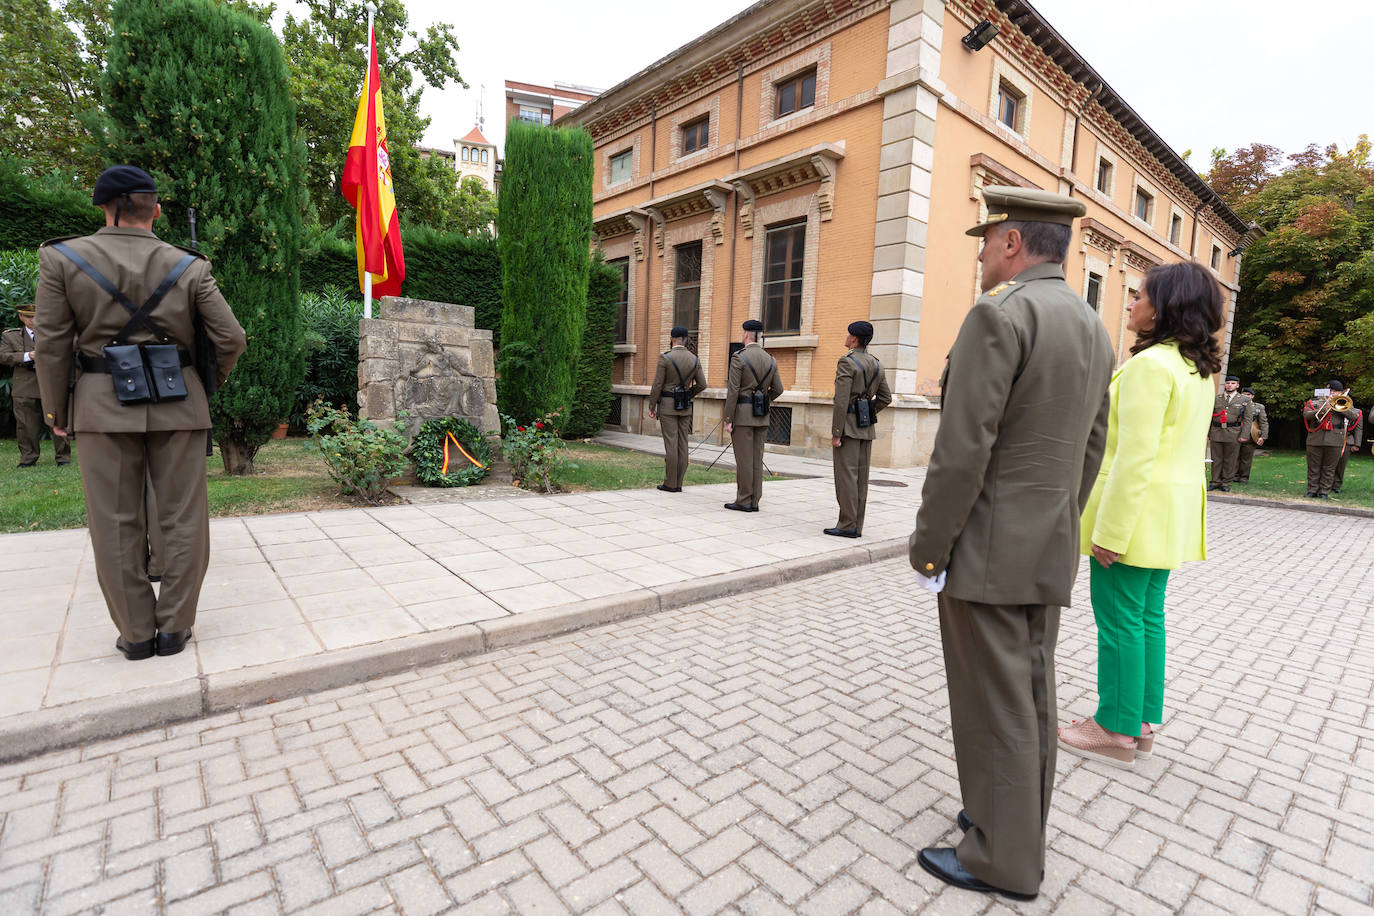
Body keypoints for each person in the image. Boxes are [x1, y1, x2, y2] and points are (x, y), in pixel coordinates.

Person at [909, 186, 1113, 900]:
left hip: (986, 550)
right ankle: (1008, 823)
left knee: (993, 703)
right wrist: (1056, 519)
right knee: (1030, 696)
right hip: (1044, 543)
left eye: (987, 241)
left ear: (1013, 243)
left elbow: (962, 451)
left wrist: (929, 547)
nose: (983, 255)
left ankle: (1002, 860)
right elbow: (1093, 446)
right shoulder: (1092, 325)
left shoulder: (1000, 314)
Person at [34, 165, 246, 661]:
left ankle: (135, 635)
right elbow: (231, 339)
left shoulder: (62, 258)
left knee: (113, 520)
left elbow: (51, 346)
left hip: (101, 405)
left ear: (103, 207)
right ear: (156, 209)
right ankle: (174, 629)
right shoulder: (189, 265)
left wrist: (54, 411)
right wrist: (203, 383)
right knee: (184, 519)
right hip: (180, 403)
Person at [1058, 261, 1223, 768]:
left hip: (1134, 514)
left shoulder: (1152, 366)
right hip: (1167, 514)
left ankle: (1116, 726)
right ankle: (1143, 718)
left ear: (1165, 306)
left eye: (1139, 295)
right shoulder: (1194, 367)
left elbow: (1134, 456)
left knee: (1119, 622)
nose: (1131, 303)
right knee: (1147, 618)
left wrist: (1110, 530)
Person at [826, 320, 891, 537]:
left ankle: (846, 525)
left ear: (853, 339)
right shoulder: (877, 364)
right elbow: (885, 398)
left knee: (846, 477)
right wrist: (867, 411)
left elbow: (841, 400)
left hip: (849, 429)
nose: (846, 338)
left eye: (848, 335)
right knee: (861, 479)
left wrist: (837, 432)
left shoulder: (847, 362)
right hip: (866, 427)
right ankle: (856, 525)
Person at [722, 318, 783, 512]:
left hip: (742, 415)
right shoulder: (770, 359)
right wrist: (763, 400)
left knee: (744, 459)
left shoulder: (739, 357)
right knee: (757, 458)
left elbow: (733, 391)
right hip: (761, 414)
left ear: (746, 334)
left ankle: (744, 500)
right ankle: (755, 499)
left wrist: (728, 419)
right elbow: (779, 389)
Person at [1, 305, 72, 467]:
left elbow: (68, 352)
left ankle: (63, 458)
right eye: (28, 317)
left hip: (51, 384)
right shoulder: (11, 336)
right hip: (24, 386)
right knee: (25, 424)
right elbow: (3, 356)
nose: (32, 320)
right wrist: (27, 356)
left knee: (58, 421)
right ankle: (28, 458)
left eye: (35, 316)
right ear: (21, 317)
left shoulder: (53, 334)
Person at [646, 326, 706, 493]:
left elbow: (658, 384)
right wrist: (688, 394)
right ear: (685, 339)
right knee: (683, 444)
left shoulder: (665, 358)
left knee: (671, 444)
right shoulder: (694, 359)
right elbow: (702, 384)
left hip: (667, 405)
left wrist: (652, 405)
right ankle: (679, 482)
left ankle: (670, 483)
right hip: (685, 406)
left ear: (672, 339)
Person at [1303, 380, 1360, 499]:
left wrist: (1338, 407)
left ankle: (1324, 491)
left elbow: (1355, 416)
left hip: (1335, 439)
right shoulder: (1314, 402)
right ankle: (1312, 490)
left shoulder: (1345, 403)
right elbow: (1306, 415)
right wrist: (1324, 408)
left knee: (1329, 467)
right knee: (1313, 466)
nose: (1332, 393)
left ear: (1340, 392)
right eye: (1331, 390)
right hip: (1315, 438)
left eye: (1335, 391)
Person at [1207, 375, 1251, 491]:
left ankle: (1225, 482)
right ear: (1224, 384)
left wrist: (1244, 435)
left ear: (1237, 385)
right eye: (1227, 383)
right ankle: (1215, 481)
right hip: (1217, 431)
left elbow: (1247, 420)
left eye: (1232, 383)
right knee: (1216, 459)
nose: (1229, 385)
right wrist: (1207, 433)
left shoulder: (1244, 400)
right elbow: (1209, 417)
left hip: (1234, 433)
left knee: (1230, 459)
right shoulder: (1217, 398)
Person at [1235, 387, 1268, 483]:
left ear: (1252, 396)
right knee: (1234, 457)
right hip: (1235, 433)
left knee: (1246, 458)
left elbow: (1263, 422)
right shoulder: (1236, 404)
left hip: (1250, 435)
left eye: (1248, 394)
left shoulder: (1258, 407)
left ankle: (1244, 478)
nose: (1246, 396)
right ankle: (1234, 476)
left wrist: (1263, 436)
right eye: (1244, 394)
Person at [1332, 391, 1362, 495]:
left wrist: (1356, 444)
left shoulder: (1357, 412)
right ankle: (1326, 483)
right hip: (1334, 438)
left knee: (1341, 465)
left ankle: (1337, 485)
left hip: (1348, 439)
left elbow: (1359, 429)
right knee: (1330, 463)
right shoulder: (1335, 407)